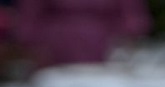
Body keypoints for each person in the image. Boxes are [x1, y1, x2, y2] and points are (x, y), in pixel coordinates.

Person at [14, 0, 151, 68]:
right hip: (53, 51)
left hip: (106, 48)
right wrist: (33, 49)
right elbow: (29, 17)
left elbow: (133, 17)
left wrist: (127, 39)